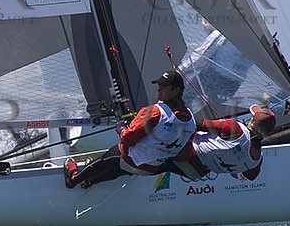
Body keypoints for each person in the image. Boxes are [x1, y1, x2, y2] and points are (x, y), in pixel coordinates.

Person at [65, 70, 197, 189]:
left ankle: (74, 179)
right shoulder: (191, 120)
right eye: (159, 85)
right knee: (120, 167)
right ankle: (91, 181)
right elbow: (185, 151)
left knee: (112, 156)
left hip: (133, 162)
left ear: (176, 90)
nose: (159, 89)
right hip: (154, 169)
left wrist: (121, 129)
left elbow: (128, 137)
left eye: (164, 87)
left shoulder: (154, 112)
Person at [169, 105, 277, 181]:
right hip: (195, 172)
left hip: (184, 153)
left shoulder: (235, 128)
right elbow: (251, 176)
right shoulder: (257, 159)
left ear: (252, 121)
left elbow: (199, 124)